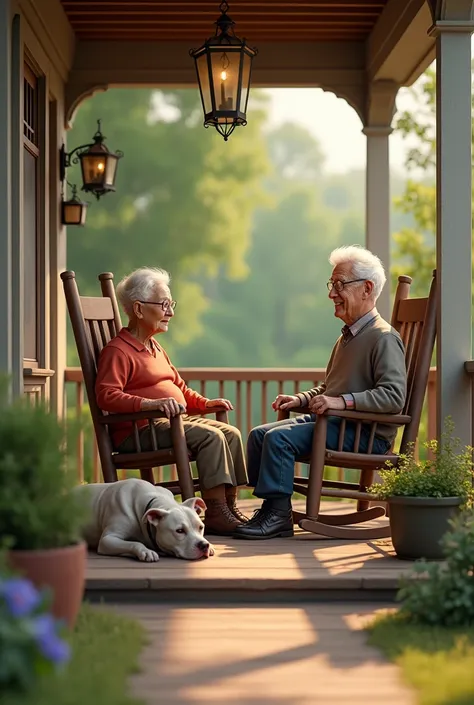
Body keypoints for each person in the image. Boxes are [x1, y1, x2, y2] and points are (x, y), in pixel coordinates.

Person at [234, 245, 407, 540]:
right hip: (338, 423)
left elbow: (393, 396)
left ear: (367, 289)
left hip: (364, 434)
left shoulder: (383, 337)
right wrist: (300, 399)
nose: (331, 294)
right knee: (259, 435)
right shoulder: (349, 337)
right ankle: (273, 507)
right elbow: (330, 389)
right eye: (332, 285)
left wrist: (341, 402)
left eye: (339, 285)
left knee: (279, 439)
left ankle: (277, 517)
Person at [95, 267, 248, 537]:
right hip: (139, 431)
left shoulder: (155, 348)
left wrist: (205, 404)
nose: (171, 312)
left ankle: (228, 507)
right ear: (139, 309)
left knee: (230, 434)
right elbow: (106, 395)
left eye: (170, 304)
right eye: (164, 304)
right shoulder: (117, 351)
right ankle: (214, 511)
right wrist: (148, 405)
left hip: (169, 421)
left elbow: (179, 389)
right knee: (211, 437)